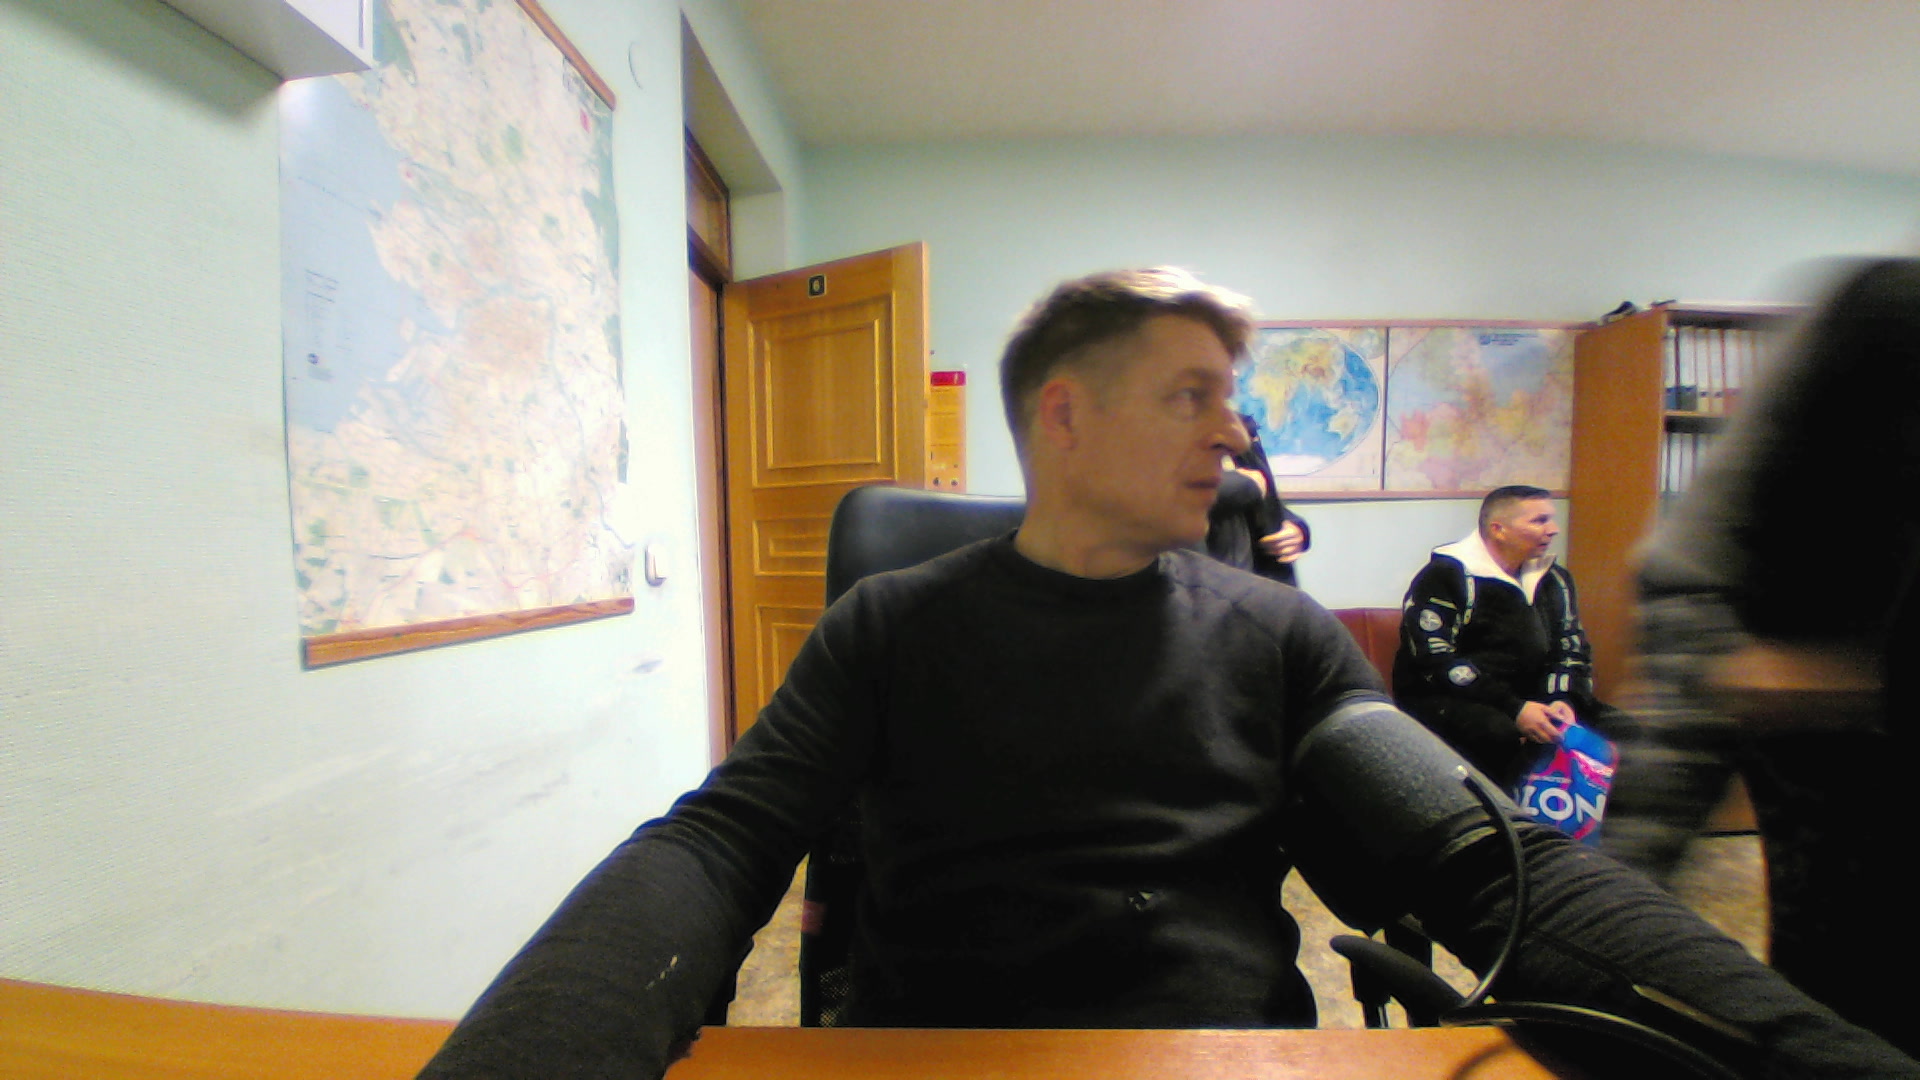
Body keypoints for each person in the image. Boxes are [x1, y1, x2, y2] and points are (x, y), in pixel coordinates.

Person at [417, 268, 1914, 1080]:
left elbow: (1481, 861)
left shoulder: (1277, 632)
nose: (1233, 435)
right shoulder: (890, 626)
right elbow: (715, 847)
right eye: (1192, 395)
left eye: (1233, 400)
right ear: (1063, 417)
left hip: (1222, 1059)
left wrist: (1809, 1056)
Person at [1602, 257, 1920, 1057]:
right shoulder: (1893, 308)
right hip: (1772, 641)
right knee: (1849, 971)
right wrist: (1821, 656)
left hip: (1844, 654)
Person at [1393, 486, 1622, 789]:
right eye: (1539, 521)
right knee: (1500, 736)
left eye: (1551, 519)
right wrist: (1515, 709)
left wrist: (1562, 699)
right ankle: (1508, 819)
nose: (1553, 529)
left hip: (1535, 699)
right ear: (1498, 529)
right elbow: (1435, 660)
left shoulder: (1555, 579)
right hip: (1455, 700)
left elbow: (1570, 647)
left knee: (1624, 730)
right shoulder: (1445, 576)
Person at [1202, 414, 1311, 586]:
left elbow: (1266, 500)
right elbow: (1171, 490)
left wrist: (1296, 527)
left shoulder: (1238, 427)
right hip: (1209, 586)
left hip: (1265, 584)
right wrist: (1245, 483)